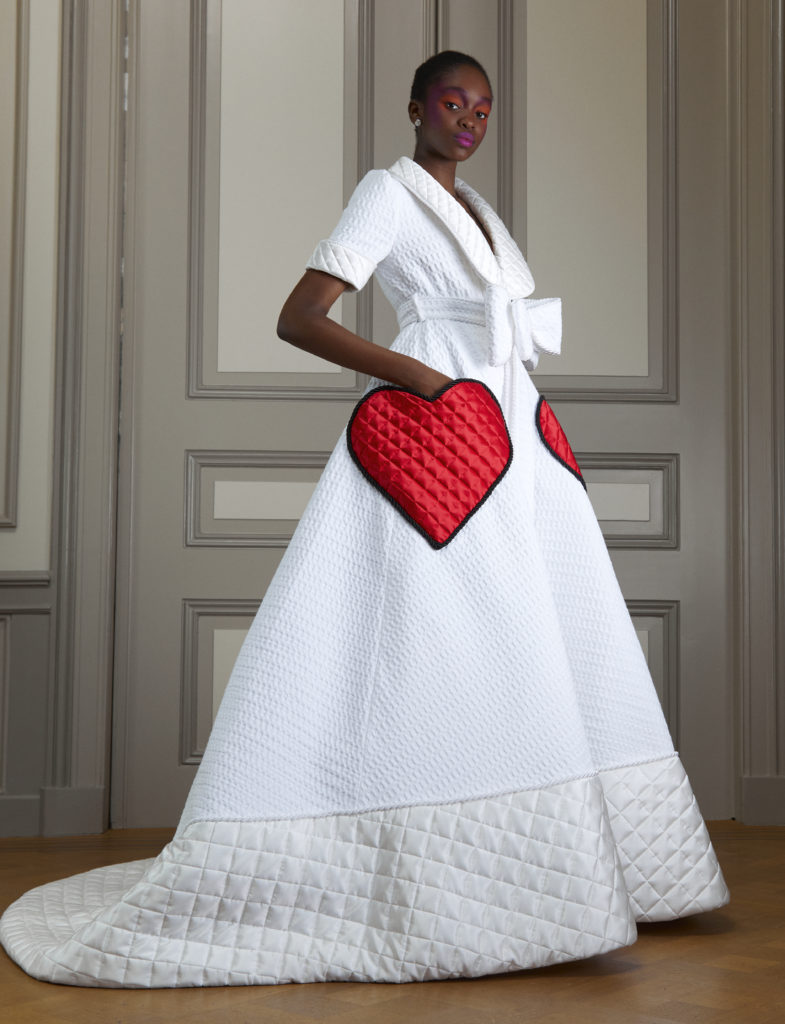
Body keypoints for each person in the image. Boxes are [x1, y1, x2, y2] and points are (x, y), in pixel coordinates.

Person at [0, 50, 729, 988]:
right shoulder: (387, 193)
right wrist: (418, 374)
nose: (468, 119)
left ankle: (583, 868)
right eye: (451, 103)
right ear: (415, 108)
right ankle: (423, 867)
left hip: (511, 439)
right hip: (444, 438)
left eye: (482, 108)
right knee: (446, 636)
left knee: (546, 636)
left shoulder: (482, 214)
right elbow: (300, 316)